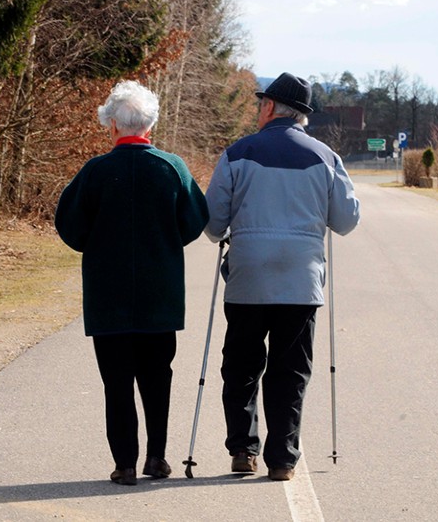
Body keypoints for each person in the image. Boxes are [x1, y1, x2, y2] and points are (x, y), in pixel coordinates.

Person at [204, 72, 360, 481]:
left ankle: (243, 449)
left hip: (248, 277)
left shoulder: (237, 153)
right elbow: (346, 221)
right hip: (300, 281)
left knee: (240, 366)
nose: (258, 110)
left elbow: (213, 223)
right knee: (290, 371)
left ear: (270, 107)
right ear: (302, 115)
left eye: (261, 104)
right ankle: (283, 459)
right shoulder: (326, 157)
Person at [55, 80, 209, 485]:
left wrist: (96, 243)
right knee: (159, 377)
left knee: (116, 382)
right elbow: (195, 220)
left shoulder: (95, 172)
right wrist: (167, 240)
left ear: (112, 125)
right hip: (161, 296)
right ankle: (156, 458)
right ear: (150, 126)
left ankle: (125, 463)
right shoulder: (172, 168)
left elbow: (69, 226)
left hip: (109, 297)